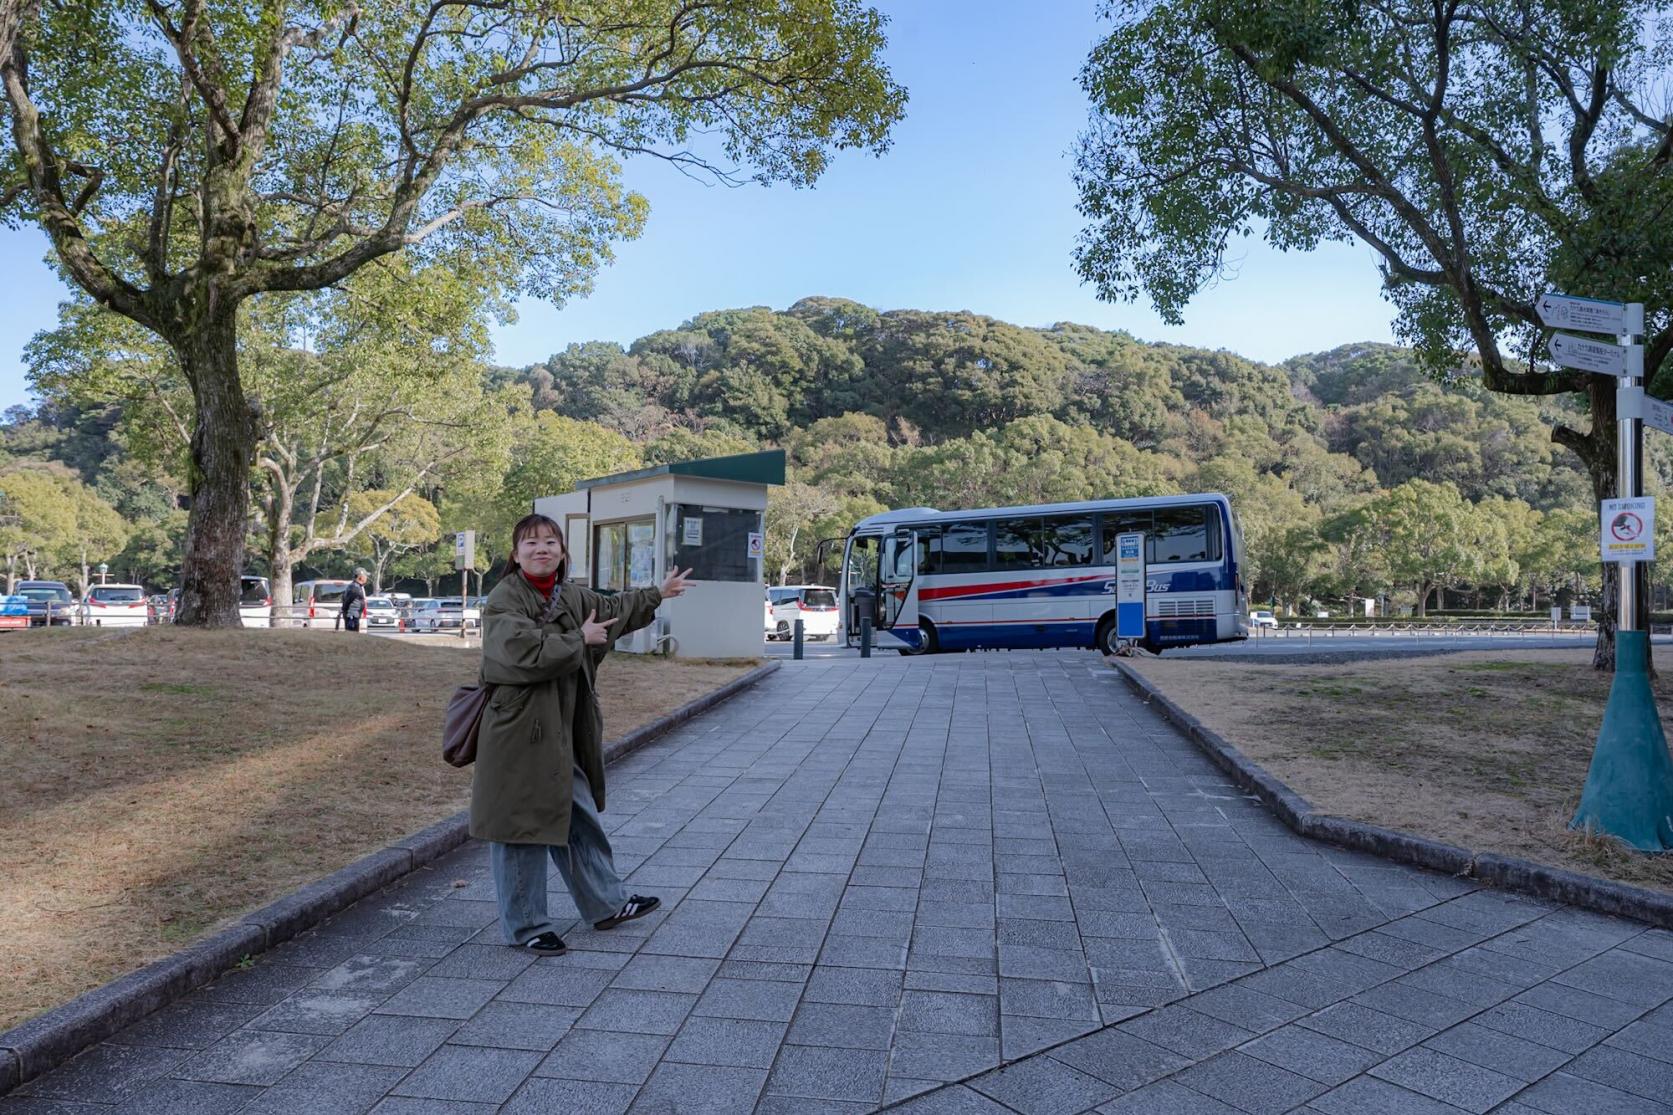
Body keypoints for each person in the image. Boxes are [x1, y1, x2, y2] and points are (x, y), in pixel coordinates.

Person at [472, 512, 693, 954]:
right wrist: (579, 639)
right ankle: (527, 926)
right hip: (518, 731)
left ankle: (606, 903)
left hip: (561, 730)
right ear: (515, 555)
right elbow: (517, 654)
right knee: (520, 830)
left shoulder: (570, 595)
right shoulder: (503, 599)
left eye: (551, 542)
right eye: (531, 543)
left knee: (577, 817)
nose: (542, 550)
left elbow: (614, 611)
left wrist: (658, 593)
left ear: (562, 552)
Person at [339, 568, 369, 632]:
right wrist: (345, 610)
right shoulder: (355, 588)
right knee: (352, 635)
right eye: (365, 576)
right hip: (352, 616)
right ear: (360, 577)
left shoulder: (356, 586)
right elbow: (348, 601)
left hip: (354, 615)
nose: (366, 578)